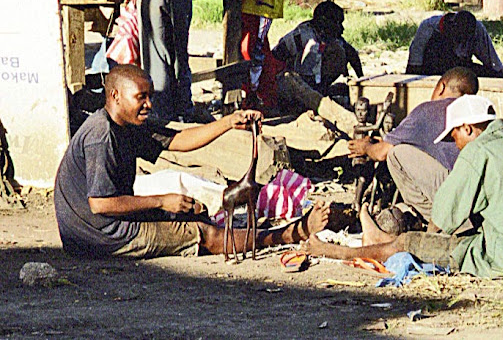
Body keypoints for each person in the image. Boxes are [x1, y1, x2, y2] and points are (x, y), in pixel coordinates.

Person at [54, 64, 329, 258]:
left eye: (150, 96)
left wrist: (229, 122)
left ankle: (250, 235)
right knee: (204, 233)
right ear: (115, 96)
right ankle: (291, 234)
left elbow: (178, 140)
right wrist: (162, 200)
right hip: (96, 235)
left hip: (97, 228)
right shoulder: (101, 135)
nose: (149, 104)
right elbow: (101, 204)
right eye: (141, 97)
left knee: (190, 213)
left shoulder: (128, 124)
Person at [306, 95, 503, 278]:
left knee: (408, 242)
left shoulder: (478, 151)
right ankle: (383, 241)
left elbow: (443, 216)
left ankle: (335, 251)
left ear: (467, 128)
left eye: (454, 137)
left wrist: (423, 242)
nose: (456, 145)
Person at [348, 67, 478, 222]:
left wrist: (365, 147)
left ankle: (435, 218)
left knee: (397, 154)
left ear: (441, 87)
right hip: (477, 190)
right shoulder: (477, 114)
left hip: (457, 191)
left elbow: (381, 152)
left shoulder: (427, 110)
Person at [272, 0, 363, 96]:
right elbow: (307, 74)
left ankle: (321, 91)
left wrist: (362, 82)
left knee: (339, 50)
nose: (342, 29)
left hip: (307, 81)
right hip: (285, 82)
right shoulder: (307, 38)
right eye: (338, 23)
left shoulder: (326, 34)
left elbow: (351, 53)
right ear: (325, 22)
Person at [406, 11, 502, 78]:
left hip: (462, 70)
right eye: (458, 37)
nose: (461, 42)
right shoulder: (427, 28)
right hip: (432, 70)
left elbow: (494, 64)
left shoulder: (477, 28)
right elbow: (414, 65)